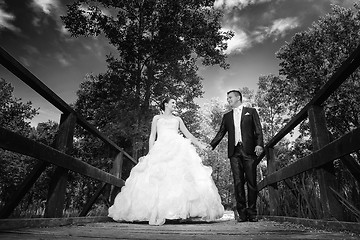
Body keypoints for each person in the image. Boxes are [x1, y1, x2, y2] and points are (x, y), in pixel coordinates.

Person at [108, 97, 224, 225]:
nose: (175, 105)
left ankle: (177, 212)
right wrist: (151, 153)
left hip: (177, 147)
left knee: (179, 178)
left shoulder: (178, 119)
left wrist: (202, 146)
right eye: (173, 102)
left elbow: (189, 135)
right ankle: (158, 211)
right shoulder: (157, 118)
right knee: (157, 178)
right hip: (161, 148)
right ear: (165, 104)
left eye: (175, 103)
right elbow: (152, 136)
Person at [209, 90, 264, 222]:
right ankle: (242, 213)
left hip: (249, 150)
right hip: (234, 152)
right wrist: (211, 145)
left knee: (251, 182)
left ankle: (252, 212)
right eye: (227, 98)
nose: (228, 100)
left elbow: (258, 129)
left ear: (238, 97)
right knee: (238, 182)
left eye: (230, 97)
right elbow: (221, 132)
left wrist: (259, 144)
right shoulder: (227, 116)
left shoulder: (251, 111)